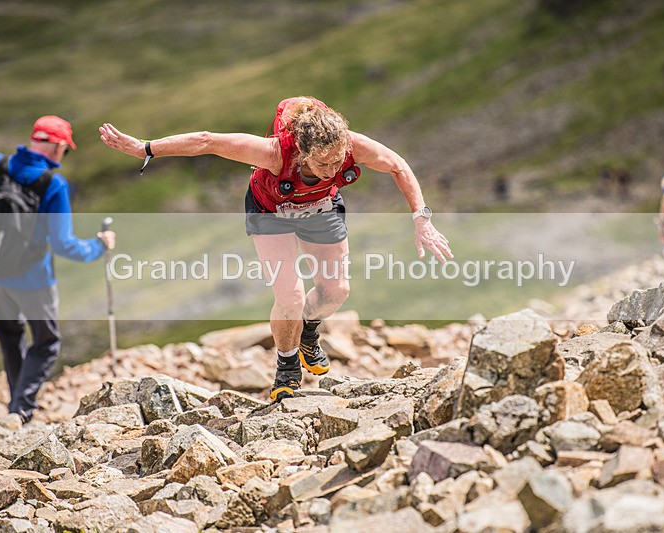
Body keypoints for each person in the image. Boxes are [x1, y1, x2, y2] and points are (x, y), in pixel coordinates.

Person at [99, 96, 452, 402]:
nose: (331, 170)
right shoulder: (273, 153)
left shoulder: (351, 145)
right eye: (321, 163)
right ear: (302, 151)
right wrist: (145, 148)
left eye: (336, 161)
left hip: (321, 209)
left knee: (335, 291)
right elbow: (208, 141)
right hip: (271, 211)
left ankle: (309, 331)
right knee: (290, 296)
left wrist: (422, 219)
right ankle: (286, 365)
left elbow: (397, 165)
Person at [0, 115, 116, 422]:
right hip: (33, 280)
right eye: (65, 150)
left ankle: (17, 408)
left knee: (11, 336)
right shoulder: (53, 184)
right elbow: (63, 244)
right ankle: (21, 409)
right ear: (56, 147)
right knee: (46, 342)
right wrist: (98, 246)